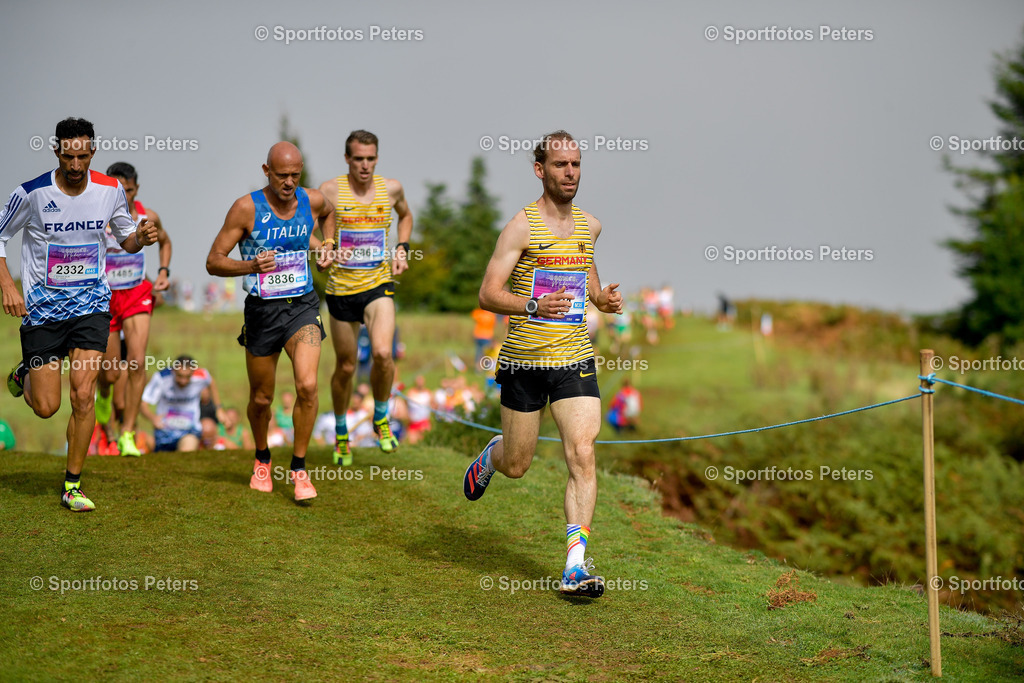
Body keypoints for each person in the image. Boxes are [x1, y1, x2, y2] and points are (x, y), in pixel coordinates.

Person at [462, 130, 623, 598]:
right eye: (560, 165)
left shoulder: (590, 226)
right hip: (524, 361)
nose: (570, 173)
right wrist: (534, 305)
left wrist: (602, 299)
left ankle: (575, 566)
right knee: (517, 465)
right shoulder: (521, 227)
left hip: (574, 357)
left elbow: (586, 274)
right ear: (540, 170)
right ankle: (493, 454)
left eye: (576, 164)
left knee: (582, 452)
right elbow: (488, 293)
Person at [1, 117, 158, 511]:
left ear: (92, 152)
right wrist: (7, 286)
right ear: (57, 151)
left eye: (83, 156)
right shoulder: (32, 193)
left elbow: (126, 238)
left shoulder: (110, 190)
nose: (75, 165)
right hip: (43, 310)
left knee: (84, 395)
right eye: (68, 156)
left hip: (91, 307)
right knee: (46, 407)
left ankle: (72, 484)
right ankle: (25, 373)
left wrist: (141, 237)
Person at [206, 141, 334, 502]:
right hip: (262, 312)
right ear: (266, 171)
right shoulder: (246, 208)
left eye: (295, 175)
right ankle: (262, 458)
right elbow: (213, 261)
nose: (289, 182)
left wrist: (328, 244)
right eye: (281, 175)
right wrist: (250, 265)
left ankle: (299, 468)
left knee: (307, 385)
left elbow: (329, 212)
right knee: (262, 398)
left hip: (302, 307)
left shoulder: (312, 199)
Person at [319, 130, 413, 466]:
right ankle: (341, 432)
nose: (364, 165)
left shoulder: (392, 188)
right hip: (341, 290)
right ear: (347, 158)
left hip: (378, 284)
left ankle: (381, 416)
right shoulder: (330, 190)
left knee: (383, 353)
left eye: (370, 159)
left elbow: (406, 215)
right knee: (345, 367)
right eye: (358, 158)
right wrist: (325, 248)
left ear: (377, 159)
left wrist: (402, 248)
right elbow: (307, 227)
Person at [94, 162, 172, 457]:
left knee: (138, 362)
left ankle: (128, 433)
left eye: (127, 190)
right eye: (116, 190)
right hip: (105, 296)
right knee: (111, 374)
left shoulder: (147, 216)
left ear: (136, 189)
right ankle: (103, 396)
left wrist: (163, 271)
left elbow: (165, 241)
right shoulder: (95, 217)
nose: (122, 196)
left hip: (137, 293)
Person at [140, 356, 221, 452]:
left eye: (187, 377)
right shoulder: (161, 378)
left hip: (189, 431)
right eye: (180, 376)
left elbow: (211, 382)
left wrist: (219, 409)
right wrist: (153, 418)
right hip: (164, 432)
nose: (183, 381)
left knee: (187, 450)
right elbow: (143, 403)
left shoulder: (201, 375)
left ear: (193, 372)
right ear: (173, 370)